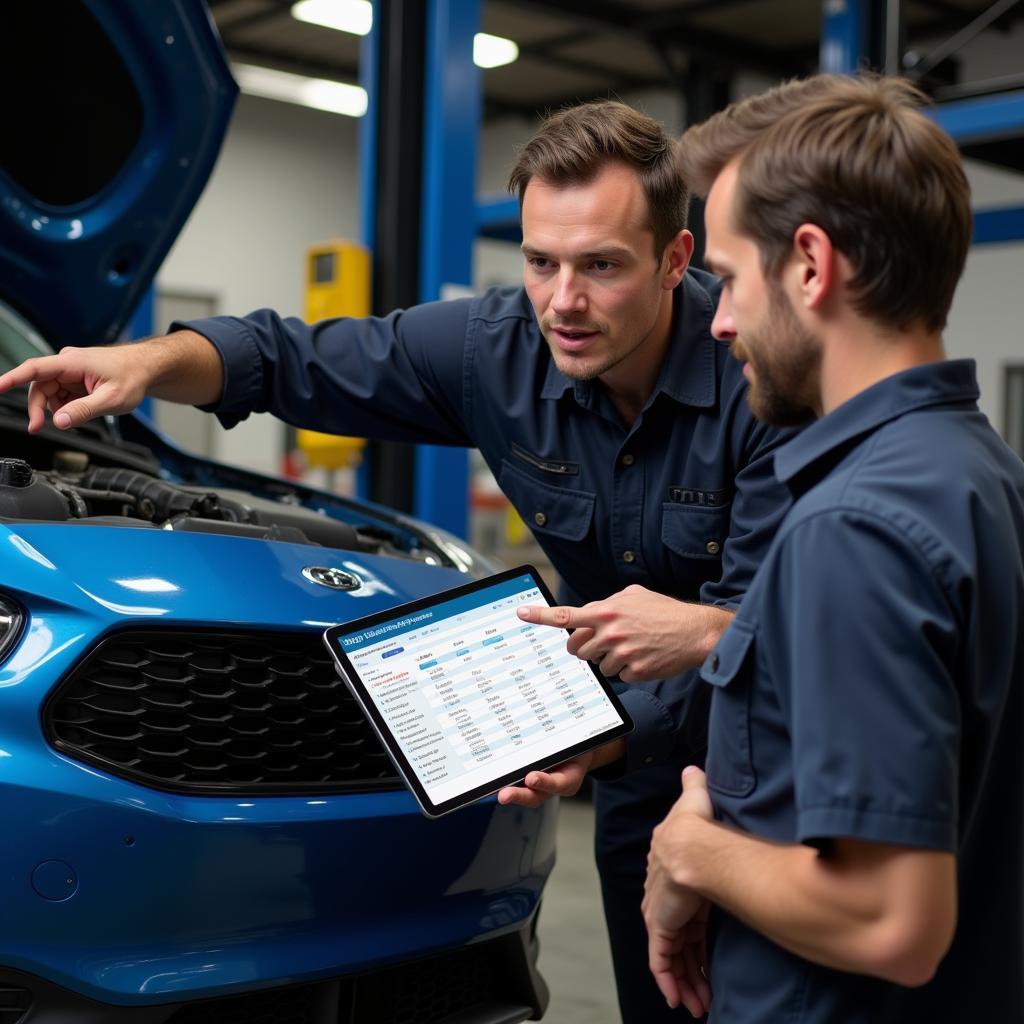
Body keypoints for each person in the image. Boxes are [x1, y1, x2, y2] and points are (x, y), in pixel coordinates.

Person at [0, 101, 794, 1022]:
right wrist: (151, 361)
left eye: (602, 266)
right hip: (625, 767)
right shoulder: (494, 350)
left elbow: (755, 629)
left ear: (675, 259)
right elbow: (288, 360)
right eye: (541, 263)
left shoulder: (758, 380)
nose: (563, 302)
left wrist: (600, 730)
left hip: (765, 762)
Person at [590, 74, 1021, 1021]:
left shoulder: (851, 526)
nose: (721, 320)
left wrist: (693, 854)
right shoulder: (975, 472)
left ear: (812, 267)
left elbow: (889, 921)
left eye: (734, 279)